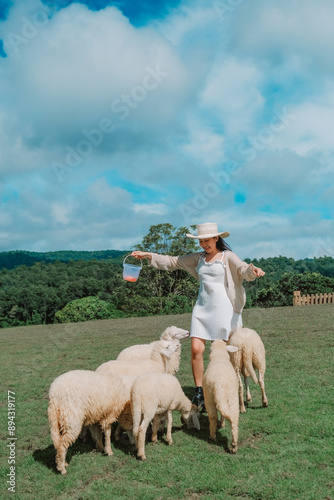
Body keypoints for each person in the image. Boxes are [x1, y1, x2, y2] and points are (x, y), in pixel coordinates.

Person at [132, 222, 265, 410]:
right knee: (196, 350)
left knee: (223, 353)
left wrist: (253, 271)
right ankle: (200, 391)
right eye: (201, 241)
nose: (204, 244)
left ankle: (226, 388)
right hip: (202, 309)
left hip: (224, 309)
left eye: (207, 240)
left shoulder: (227, 257)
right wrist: (149, 256)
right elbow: (173, 261)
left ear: (217, 238)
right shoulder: (199, 258)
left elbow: (242, 268)